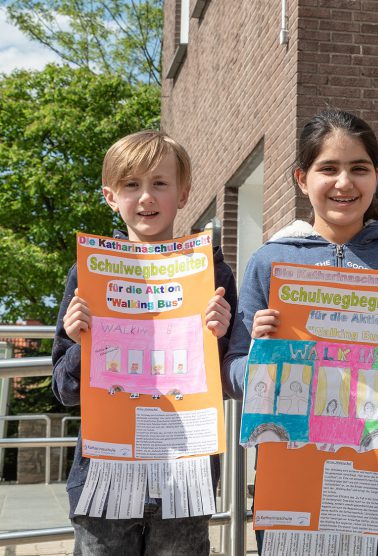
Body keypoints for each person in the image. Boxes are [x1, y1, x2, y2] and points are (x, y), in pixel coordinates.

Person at [221, 109, 378, 554]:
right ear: (302, 178)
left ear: (377, 176)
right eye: (328, 169)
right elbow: (233, 373)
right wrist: (263, 357)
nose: (345, 182)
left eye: (359, 168)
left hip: (377, 475)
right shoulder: (270, 261)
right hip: (291, 475)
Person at [52, 130, 237, 555]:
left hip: (182, 481)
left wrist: (220, 337)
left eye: (159, 183)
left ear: (184, 193)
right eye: (131, 185)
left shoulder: (213, 274)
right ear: (110, 196)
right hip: (103, 477)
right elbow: (63, 390)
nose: (146, 197)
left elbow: (226, 381)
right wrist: (83, 343)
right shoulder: (87, 275)